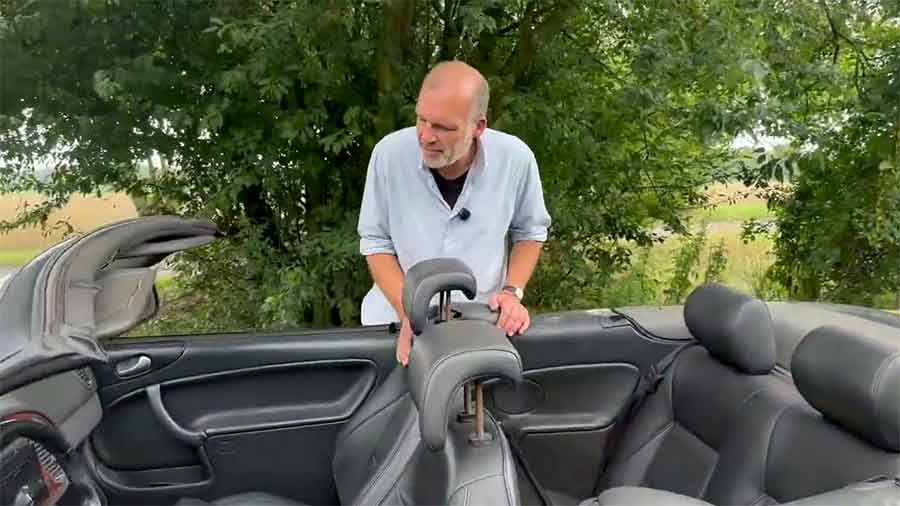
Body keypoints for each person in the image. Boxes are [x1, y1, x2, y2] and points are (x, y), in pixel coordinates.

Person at [357, 60, 551, 365]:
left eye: (443, 127)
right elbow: (376, 242)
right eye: (421, 120)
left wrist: (512, 293)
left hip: (477, 327)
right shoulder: (388, 155)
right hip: (392, 326)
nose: (426, 136)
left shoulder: (516, 159)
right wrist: (409, 314)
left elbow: (530, 232)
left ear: (478, 127)